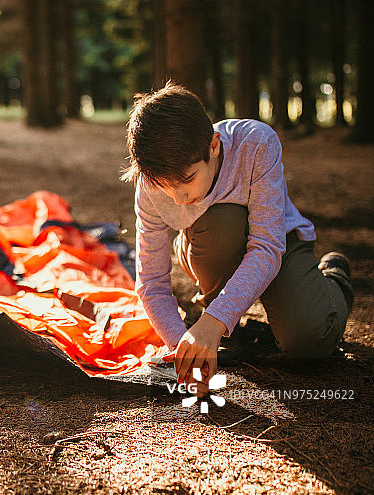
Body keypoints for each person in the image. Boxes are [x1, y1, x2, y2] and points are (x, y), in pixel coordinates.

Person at [122, 82, 354, 396]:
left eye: (188, 179)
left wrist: (214, 320)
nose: (178, 198)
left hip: (278, 241)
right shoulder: (150, 182)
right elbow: (151, 281)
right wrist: (183, 349)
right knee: (220, 224)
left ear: (214, 146)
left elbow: (267, 246)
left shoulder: (255, 144)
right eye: (165, 186)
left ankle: (334, 278)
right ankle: (226, 329)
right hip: (211, 243)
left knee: (309, 341)